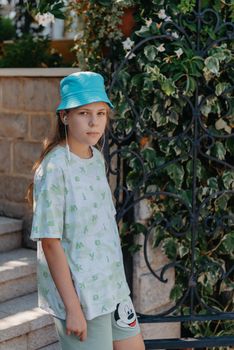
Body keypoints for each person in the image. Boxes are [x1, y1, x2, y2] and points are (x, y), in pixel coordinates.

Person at [29, 71, 145, 350]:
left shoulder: (95, 158)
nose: (94, 122)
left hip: (113, 289)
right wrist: (73, 308)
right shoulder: (55, 168)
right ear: (65, 117)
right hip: (82, 296)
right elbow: (50, 242)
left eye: (101, 113)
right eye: (84, 113)